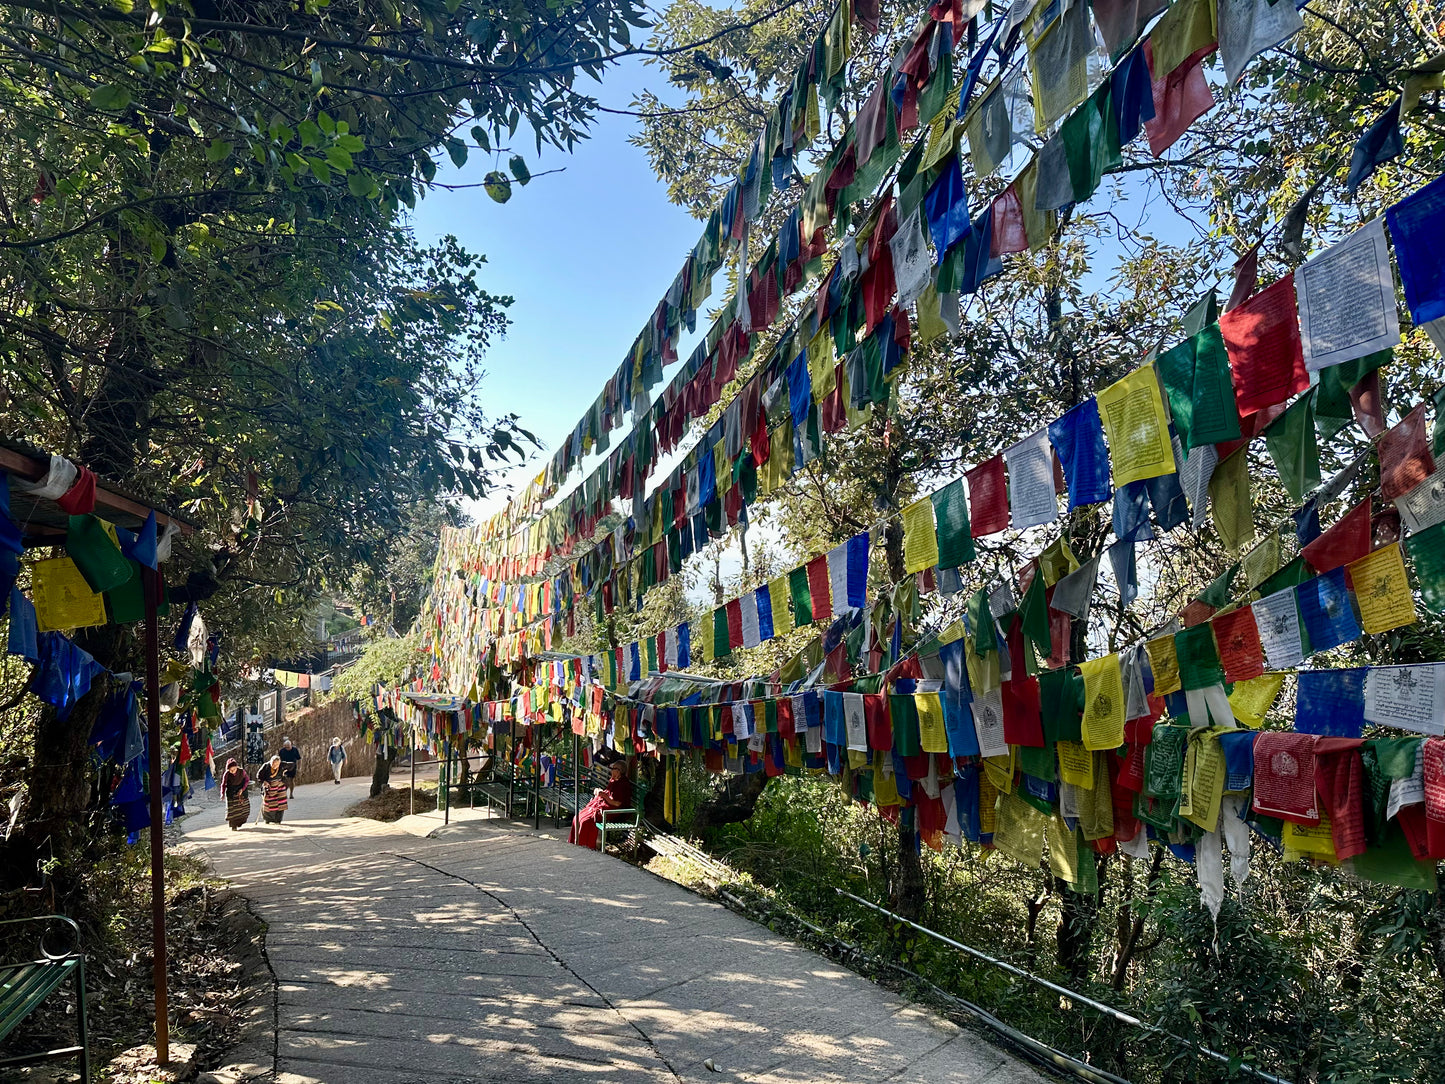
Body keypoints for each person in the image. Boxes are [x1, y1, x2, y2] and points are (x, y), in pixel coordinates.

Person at [568, 759, 632, 850]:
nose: (611, 770)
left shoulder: (623, 784)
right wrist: (599, 792)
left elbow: (617, 803)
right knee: (577, 817)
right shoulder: (614, 781)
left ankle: (585, 846)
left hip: (613, 811)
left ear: (619, 771)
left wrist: (603, 796)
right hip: (604, 806)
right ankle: (575, 842)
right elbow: (608, 794)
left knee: (586, 821)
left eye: (613, 769)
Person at [256, 755, 289, 824]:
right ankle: (267, 819)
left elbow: (292, 765)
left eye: (277, 764)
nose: (275, 766)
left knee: (280, 803)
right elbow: (259, 776)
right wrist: (264, 782)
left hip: (279, 786)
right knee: (268, 803)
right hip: (269, 786)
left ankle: (278, 819)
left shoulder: (282, 765)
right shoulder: (266, 766)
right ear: (270, 762)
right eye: (273, 764)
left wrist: (284, 773)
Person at [221, 758, 251, 830]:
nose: (232, 771)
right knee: (232, 811)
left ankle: (240, 823)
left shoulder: (242, 771)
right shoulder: (227, 774)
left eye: (233, 769)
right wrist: (222, 793)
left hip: (241, 791)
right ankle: (233, 826)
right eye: (230, 770)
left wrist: (242, 789)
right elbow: (223, 784)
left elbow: (247, 780)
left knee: (243, 808)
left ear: (236, 767)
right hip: (231, 792)